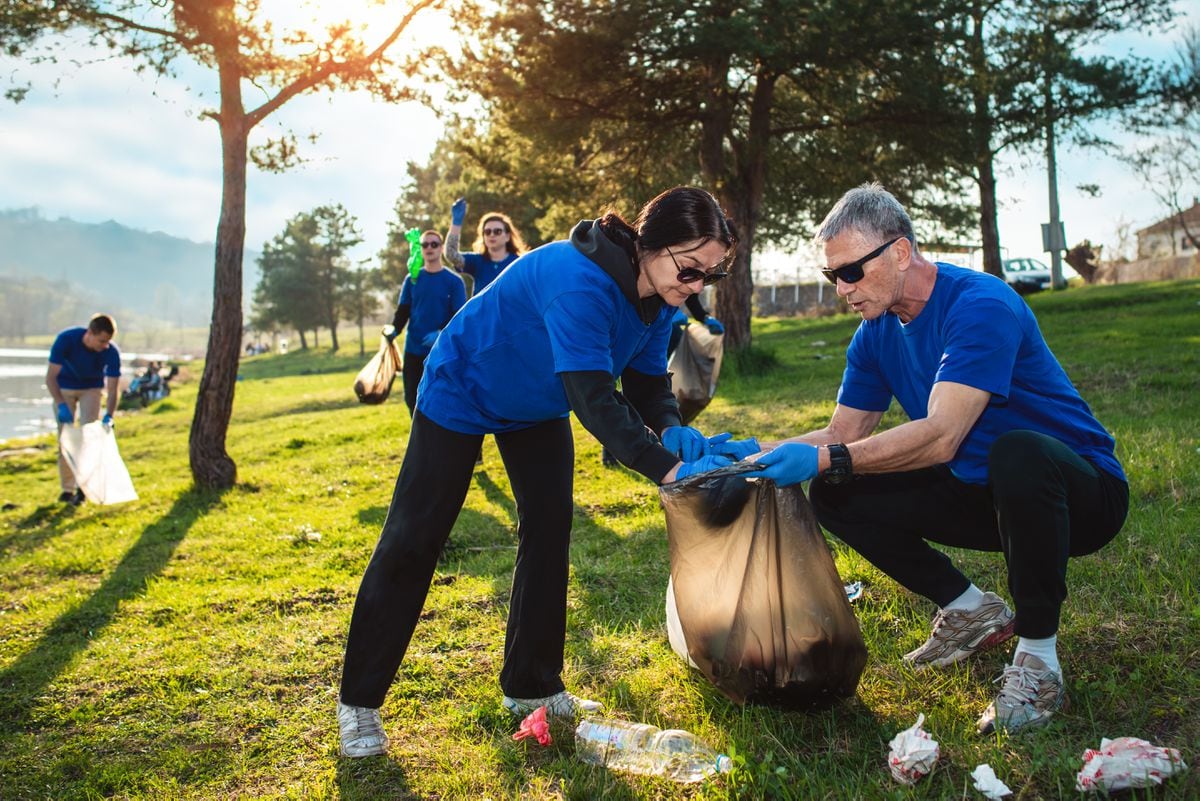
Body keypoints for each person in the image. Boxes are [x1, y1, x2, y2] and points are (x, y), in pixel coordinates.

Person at [337, 186, 741, 758]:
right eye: (691, 268)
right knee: (414, 537)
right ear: (652, 242)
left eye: (709, 275)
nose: (697, 285)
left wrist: (669, 424)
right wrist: (667, 469)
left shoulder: (661, 293)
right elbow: (596, 399)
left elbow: (647, 381)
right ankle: (358, 703)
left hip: (537, 404)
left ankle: (531, 687)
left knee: (549, 529)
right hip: (464, 385)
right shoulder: (581, 280)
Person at [736, 183, 1128, 734]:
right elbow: (842, 432)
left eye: (851, 272)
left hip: (1079, 496)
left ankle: (1038, 658)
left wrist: (829, 458)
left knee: (1015, 454)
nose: (842, 290)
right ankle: (970, 609)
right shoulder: (874, 333)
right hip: (986, 494)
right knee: (837, 489)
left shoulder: (981, 305)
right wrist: (751, 453)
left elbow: (942, 436)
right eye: (832, 277)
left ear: (900, 252)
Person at [602, 294, 724, 466]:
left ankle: (665, 431)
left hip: (667, 331)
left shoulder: (672, 309)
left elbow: (692, 297)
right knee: (627, 392)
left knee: (650, 389)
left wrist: (704, 317)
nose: (696, 285)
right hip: (640, 329)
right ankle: (611, 450)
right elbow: (594, 394)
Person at [383, 230, 467, 416]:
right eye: (425, 245)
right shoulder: (412, 279)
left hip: (443, 351)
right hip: (413, 350)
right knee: (412, 398)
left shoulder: (453, 281)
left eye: (434, 244)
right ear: (420, 249)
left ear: (441, 248)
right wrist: (394, 330)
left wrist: (440, 333)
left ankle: (446, 441)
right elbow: (403, 310)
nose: (429, 248)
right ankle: (421, 442)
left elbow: (459, 317)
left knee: (442, 399)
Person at [45, 313, 122, 505]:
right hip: (64, 388)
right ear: (90, 333)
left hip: (91, 389)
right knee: (66, 438)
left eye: (108, 341)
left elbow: (113, 389)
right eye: (102, 340)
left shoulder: (110, 352)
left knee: (89, 437)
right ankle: (67, 490)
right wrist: (61, 404)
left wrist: (109, 415)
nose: (105, 345)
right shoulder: (66, 340)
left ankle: (84, 488)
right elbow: (50, 378)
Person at [444, 199, 526, 296]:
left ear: (507, 236)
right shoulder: (477, 261)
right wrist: (456, 223)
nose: (492, 235)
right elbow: (451, 254)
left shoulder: (519, 262)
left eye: (497, 231)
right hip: (482, 311)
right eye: (487, 232)